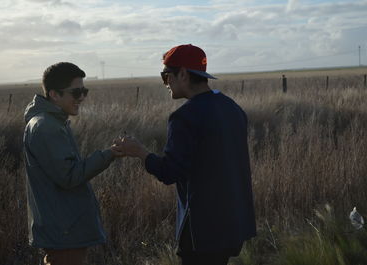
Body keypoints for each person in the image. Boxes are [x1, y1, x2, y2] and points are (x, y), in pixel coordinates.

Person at [115, 44, 256, 265]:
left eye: (166, 76)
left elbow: (169, 172)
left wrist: (140, 152)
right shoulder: (232, 108)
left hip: (202, 231)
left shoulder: (184, 117)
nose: (166, 83)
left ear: (182, 74)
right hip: (233, 225)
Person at [23, 62, 121, 265]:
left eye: (84, 91)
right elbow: (69, 176)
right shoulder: (47, 127)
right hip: (63, 232)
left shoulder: (51, 122)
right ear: (54, 94)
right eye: (76, 92)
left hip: (63, 230)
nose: (82, 98)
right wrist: (110, 153)